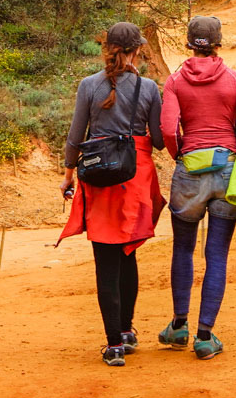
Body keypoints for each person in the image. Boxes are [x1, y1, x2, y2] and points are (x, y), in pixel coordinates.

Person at [57, 21, 165, 367]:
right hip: (134, 180)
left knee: (105, 260)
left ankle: (114, 345)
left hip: (98, 179)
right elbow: (159, 140)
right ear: (138, 50)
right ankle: (128, 331)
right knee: (127, 254)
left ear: (107, 48)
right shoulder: (148, 88)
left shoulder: (89, 85)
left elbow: (76, 136)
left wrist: (68, 175)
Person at [158, 15, 236, 360]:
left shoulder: (175, 81)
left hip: (189, 170)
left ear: (189, 43)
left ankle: (178, 327)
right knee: (216, 254)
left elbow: (168, 129)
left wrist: (182, 156)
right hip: (228, 170)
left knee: (183, 249)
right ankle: (204, 337)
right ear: (218, 43)